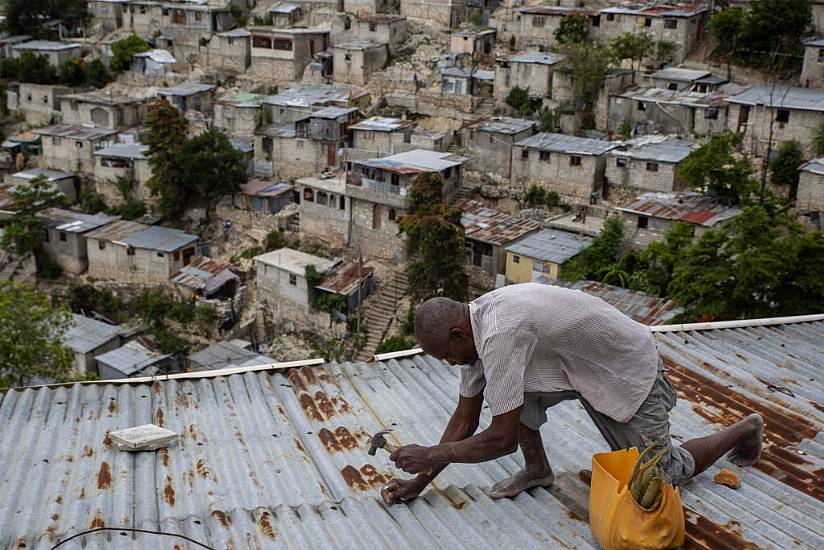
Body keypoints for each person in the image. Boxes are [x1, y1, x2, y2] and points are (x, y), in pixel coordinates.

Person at [381, 284, 763, 505]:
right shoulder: (474, 333)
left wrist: (429, 454)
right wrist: (418, 483)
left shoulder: (500, 335)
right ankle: (538, 471)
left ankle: (745, 428)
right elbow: (465, 421)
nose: (449, 364)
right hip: (574, 367)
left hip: (621, 366)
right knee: (508, 395)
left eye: (446, 355)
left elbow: (501, 440)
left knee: (663, 474)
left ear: (457, 335)